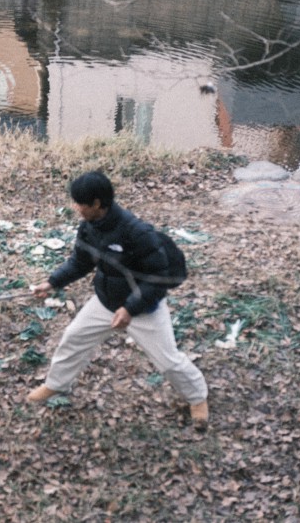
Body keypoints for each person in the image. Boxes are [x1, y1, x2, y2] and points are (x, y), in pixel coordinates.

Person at [28, 171, 209, 431]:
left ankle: (197, 399)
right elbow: (80, 262)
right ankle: (55, 384)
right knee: (73, 339)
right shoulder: (89, 227)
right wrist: (52, 282)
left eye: (80, 203)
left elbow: (159, 277)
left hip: (142, 307)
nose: (75, 207)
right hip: (106, 301)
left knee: (168, 361)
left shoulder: (136, 233)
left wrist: (130, 308)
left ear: (98, 203)